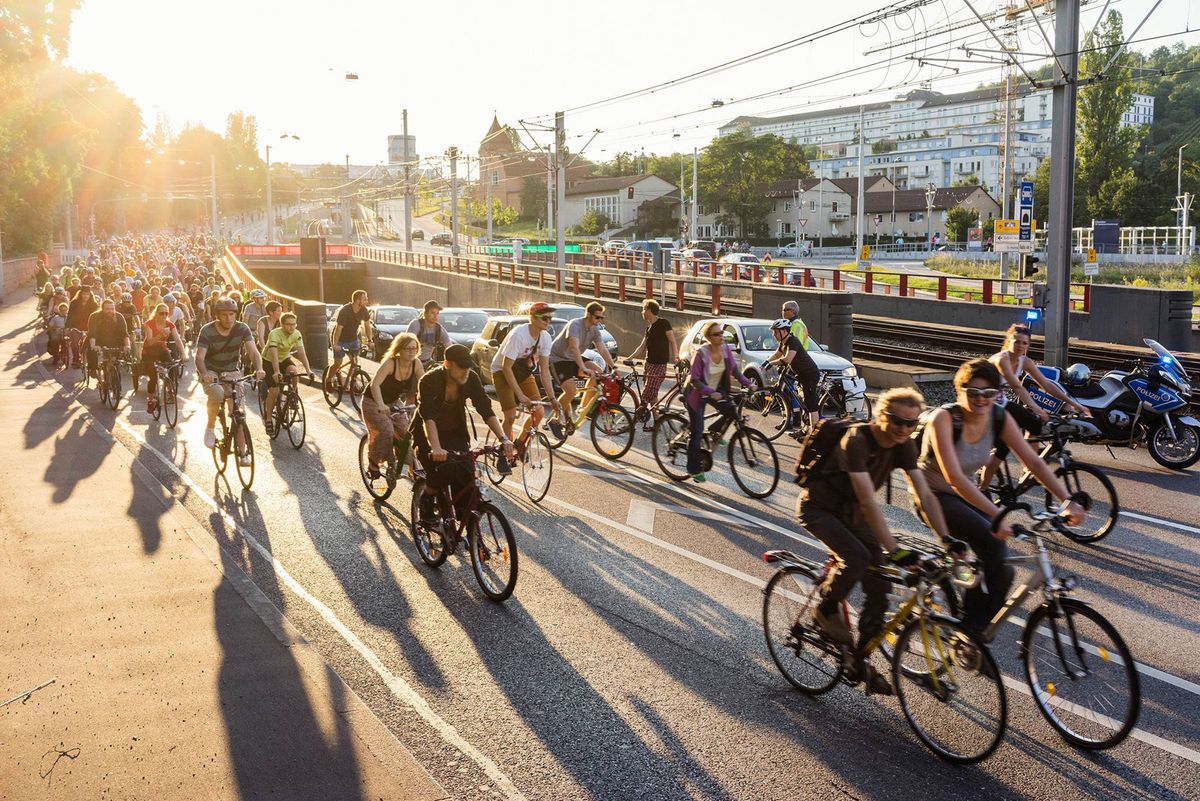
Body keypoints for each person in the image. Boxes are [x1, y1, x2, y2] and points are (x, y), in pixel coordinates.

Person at [915, 359, 1086, 635]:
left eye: (988, 393)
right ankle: (969, 633)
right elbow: (954, 478)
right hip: (933, 495)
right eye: (973, 393)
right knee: (990, 541)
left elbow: (1035, 463)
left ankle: (972, 629)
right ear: (959, 391)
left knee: (1002, 569)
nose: (981, 400)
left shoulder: (998, 416)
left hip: (968, 495)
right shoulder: (944, 419)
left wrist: (1067, 500)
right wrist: (997, 516)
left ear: (997, 394)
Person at [797, 388, 952, 694]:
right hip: (819, 508)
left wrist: (947, 538)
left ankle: (858, 659)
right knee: (856, 558)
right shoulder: (855, 440)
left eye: (911, 424)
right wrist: (894, 550)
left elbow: (924, 492)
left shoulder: (902, 444)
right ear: (882, 415)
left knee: (880, 584)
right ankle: (825, 610)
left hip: (854, 514)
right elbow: (869, 500)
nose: (903, 429)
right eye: (897, 421)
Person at [980, 324, 1092, 486]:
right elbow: (1017, 386)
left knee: (1033, 426)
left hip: (999, 402)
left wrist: (1074, 403)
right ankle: (983, 488)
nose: (1020, 346)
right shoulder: (1001, 360)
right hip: (983, 403)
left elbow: (1047, 384)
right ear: (1008, 341)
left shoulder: (1025, 361)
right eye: (1016, 341)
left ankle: (1028, 468)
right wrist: (1037, 408)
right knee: (1005, 445)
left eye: (1024, 343)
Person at [412, 344, 514, 521]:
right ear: (447, 364)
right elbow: (428, 417)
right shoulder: (429, 381)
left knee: (467, 476)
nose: (466, 371)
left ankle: (460, 525)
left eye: (468, 367)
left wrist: (503, 438)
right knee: (442, 472)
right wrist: (435, 448)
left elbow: (485, 409)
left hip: (455, 432)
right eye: (461, 367)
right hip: (428, 434)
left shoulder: (471, 378)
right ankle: (426, 499)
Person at [489, 301, 560, 474]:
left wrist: (552, 398)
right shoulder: (518, 335)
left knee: (539, 411)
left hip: (522, 372)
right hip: (501, 371)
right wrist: (520, 395)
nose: (548, 321)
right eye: (544, 318)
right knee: (511, 415)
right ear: (532, 318)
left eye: (550, 318)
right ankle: (502, 452)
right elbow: (506, 368)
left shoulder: (545, 337)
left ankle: (520, 444)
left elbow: (544, 372)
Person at [196, 298, 265, 465]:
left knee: (238, 412)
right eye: (224, 315)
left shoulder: (242, 328)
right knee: (218, 393)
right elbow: (199, 357)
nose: (228, 319)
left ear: (236, 315)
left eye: (232, 314)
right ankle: (210, 427)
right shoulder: (207, 330)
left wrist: (259, 368)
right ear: (217, 316)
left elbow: (254, 352)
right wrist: (205, 373)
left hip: (232, 371)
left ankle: (242, 454)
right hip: (211, 372)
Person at [684, 322, 753, 483]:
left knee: (732, 409)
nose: (721, 336)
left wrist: (749, 383)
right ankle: (694, 470)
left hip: (716, 390)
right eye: (716, 334)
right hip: (696, 394)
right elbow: (694, 380)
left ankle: (715, 431)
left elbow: (735, 371)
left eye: (721, 333)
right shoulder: (701, 353)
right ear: (708, 338)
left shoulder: (725, 349)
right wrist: (710, 392)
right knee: (697, 433)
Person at [547, 301, 615, 439]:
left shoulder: (595, 329)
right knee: (571, 391)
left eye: (601, 318)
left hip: (574, 358)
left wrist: (614, 367)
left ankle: (583, 408)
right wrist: (583, 367)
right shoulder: (575, 325)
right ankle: (554, 420)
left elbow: (602, 349)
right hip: (558, 359)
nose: (599, 320)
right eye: (597, 317)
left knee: (598, 373)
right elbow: (574, 347)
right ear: (588, 315)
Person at [361, 332, 422, 475]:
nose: (412, 352)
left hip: (394, 402)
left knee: (406, 432)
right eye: (408, 349)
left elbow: (423, 384)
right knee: (386, 431)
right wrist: (381, 404)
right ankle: (374, 462)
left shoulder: (416, 364)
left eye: (414, 348)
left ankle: (409, 467)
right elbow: (374, 385)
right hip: (374, 401)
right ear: (399, 350)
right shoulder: (390, 363)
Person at [625, 299, 678, 430]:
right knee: (652, 394)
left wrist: (676, 357)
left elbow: (672, 341)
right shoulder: (648, 328)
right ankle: (657, 422)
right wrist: (629, 358)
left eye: (643, 309)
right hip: (649, 364)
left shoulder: (664, 323)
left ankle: (634, 422)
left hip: (660, 365)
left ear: (649, 311)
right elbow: (642, 347)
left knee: (647, 394)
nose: (642, 312)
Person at [763, 317, 820, 432]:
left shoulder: (793, 341)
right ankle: (805, 430)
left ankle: (815, 433)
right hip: (801, 375)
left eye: (775, 332)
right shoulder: (783, 342)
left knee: (810, 404)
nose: (774, 335)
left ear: (784, 331)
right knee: (803, 401)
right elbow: (777, 354)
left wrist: (772, 363)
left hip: (809, 374)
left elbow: (788, 359)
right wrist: (766, 362)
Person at [262, 312, 314, 435]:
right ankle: (269, 419)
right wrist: (276, 372)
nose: (291, 327)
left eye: (294, 324)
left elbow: (302, 353)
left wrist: (308, 370)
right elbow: (274, 355)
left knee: (294, 372)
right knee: (274, 391)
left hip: (284, 358)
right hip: (269, 361)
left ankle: (292, 394)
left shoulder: (296, 333)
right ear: (282, 324)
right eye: (288, 324)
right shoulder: (274, 333)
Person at [141, 303, 185, 414]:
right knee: (153, 378)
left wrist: (184, 354)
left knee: (172, 366)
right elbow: (150, 342)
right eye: (162, 313)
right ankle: (150, 401)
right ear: (156, 314)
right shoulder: (149, 324)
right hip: (149, 351)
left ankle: (170, 389)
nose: (164, 315)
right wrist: (161, 334)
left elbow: (178, 340)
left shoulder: (170, 324)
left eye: (166, 313)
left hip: (161, 349)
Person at [328, 290, 370, 388]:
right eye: (365, 299)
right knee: (338, 363)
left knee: (354, 363)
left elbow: (367, 326)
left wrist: (370, 341)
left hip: (353, 339)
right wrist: (335, 344)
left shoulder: (364, 310)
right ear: (358, 300)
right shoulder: (345, 311)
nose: (367, 301)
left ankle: (353, 381)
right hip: (341, 340)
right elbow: (338, 329)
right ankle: (329, 380)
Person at [85, 298, 130, 376]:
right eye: (107, 309)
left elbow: (124, 333)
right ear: (102, 309)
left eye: (112, 309)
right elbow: (92, 333)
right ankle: (93, 368)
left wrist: (127, 345)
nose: (110, 311)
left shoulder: (119, 317)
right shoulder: (95, 316)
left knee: (117, 359)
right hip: (98, 340)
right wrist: (93, 346)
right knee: (91, 349)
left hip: (114, 340)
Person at [406, 300, 451, 366]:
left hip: (428, 362)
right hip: (411, 362)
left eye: (437, 313)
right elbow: (406, 344)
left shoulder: (439, 329)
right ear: (425, 313)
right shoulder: (416, 324)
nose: (435, 316)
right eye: (432, 313)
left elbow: (449, 347)